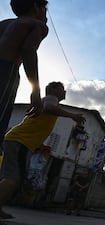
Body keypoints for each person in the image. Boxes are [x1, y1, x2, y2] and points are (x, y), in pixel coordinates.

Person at [0, 81, 85, 219]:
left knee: (12, 178)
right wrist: (72, 116)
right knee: (13, 179)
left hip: (19, 140)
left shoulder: (49, 100)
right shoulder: (52, 99)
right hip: (20, 141)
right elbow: (48, 107)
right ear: (54, 89)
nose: (65, 92)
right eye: (63, 89)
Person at [0, 0, 49, 146]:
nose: (46, 14)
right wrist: (36, 92)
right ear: (36, 6)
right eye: (45, 9)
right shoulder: (37, 25)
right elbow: (28, 50)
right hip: (5, 71)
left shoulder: (3, 23)